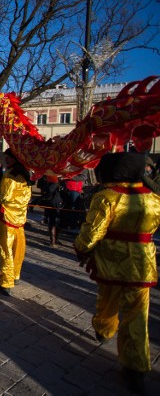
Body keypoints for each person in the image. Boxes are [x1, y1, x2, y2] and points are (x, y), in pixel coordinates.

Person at [74, 152, 160, 394]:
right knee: (137, 315)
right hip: (142, 263)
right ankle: (136, 366)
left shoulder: (107, 197)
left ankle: (104, 329)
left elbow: (94, 230)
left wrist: (81, 248)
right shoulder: (154, 199)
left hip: (112, 260)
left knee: (108, 299)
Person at [0, 149, 33, 296]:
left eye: (9, 158)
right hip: (19, 218)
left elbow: (6, 197)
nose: (6, 160)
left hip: (7, 218)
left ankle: (6, 282)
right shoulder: (24, 175)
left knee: (6, 250)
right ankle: (15, 275)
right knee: (18, 249)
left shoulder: (11, 176)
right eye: (6, 158)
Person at [42, 175, 64, 247]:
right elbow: (49, 191)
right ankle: (53, 241)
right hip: (53, 204)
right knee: (53, 222)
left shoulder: (57, 183)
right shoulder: (53, 183)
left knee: (56, 222)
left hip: (57, 204)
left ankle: (55, 240)